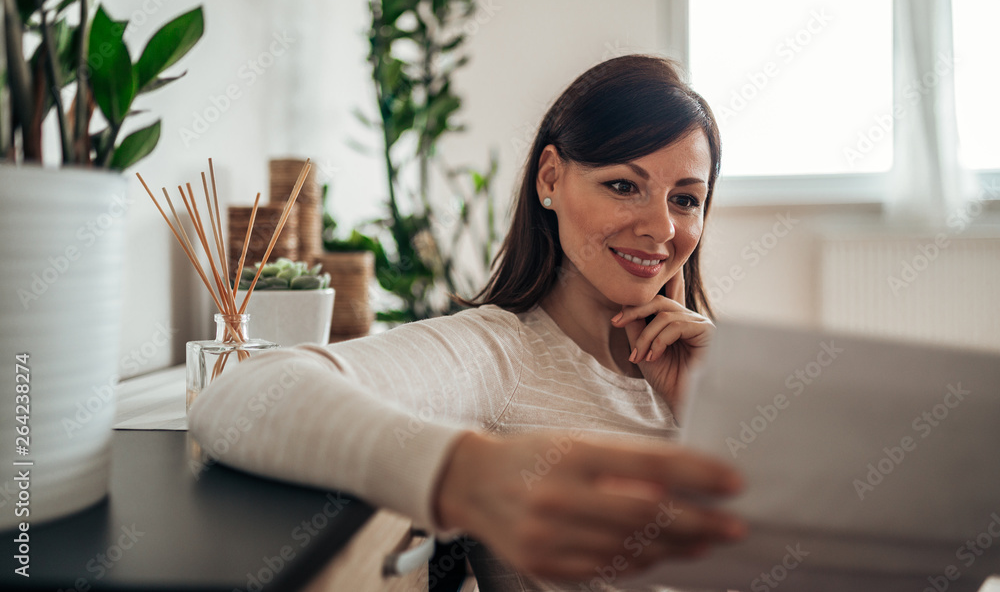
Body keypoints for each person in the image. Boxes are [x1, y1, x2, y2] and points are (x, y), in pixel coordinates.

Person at [189, 54, 747, 592]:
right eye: (624, 186)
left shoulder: (706, 363)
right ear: (550, 178)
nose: (661, 228)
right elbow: (243, 395)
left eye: (685, 200)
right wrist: (467, 476)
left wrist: (721, 421)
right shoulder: (499, 353)